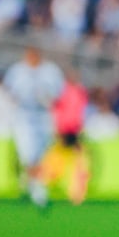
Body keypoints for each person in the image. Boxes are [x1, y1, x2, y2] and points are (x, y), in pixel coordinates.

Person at [3, 45, 65, 208]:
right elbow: (9, 92)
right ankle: (37, 189)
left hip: (44, 114)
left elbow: (58, 93)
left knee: (43, 153)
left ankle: (34, 185)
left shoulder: (51, 71)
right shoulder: (17, 70)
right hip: (24, 114)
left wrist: (46, 97)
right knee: (28, 152)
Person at [39, 70, 91, 205]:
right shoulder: (62, 91)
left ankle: (76, 194)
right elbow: (56, 110)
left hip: (74, 131)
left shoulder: (80, 92)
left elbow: (81, 113)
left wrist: (80, 128)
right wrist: (57, 128)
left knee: (79, 164)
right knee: (54, 162)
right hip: (63, 131)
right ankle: (41, 187)